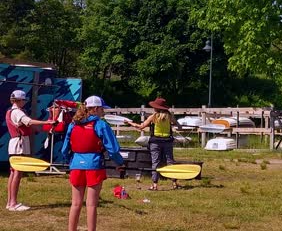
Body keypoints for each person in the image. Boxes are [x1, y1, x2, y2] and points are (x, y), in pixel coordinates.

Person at [62, 95, 125, 231]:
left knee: (75, 204)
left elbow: (64, 149)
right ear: (95, 109)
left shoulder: (73, 124)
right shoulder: (101, 125)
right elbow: (113, 149)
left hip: (76, 166)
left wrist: (71, 162)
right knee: (91, 205)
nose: (103, 112)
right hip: (94, 166)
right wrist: (120, 163)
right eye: (102, 109)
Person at [5, 90, 56, 211]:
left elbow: (29, 126)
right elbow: (29, 121)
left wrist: (44, 129)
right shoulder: (17, 112)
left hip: (16, 143)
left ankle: (10, 202)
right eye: (23, 100)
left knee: (13, 173)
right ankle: (13, 203)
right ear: (18, 100)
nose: (24, 102)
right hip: (19, 144)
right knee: (17, 173)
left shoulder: (12, 111)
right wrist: (47, 122)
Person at [125, 97, 181, 191]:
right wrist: (175, 126)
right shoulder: (170, 116)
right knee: (170, 162)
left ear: (156, 108)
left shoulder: (153, 117)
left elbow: (141, 127)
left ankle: (155, 185)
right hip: (167, 141)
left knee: (155, 162)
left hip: (155, 142)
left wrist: (130, 123)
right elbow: (179, 126)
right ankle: (174, 183)